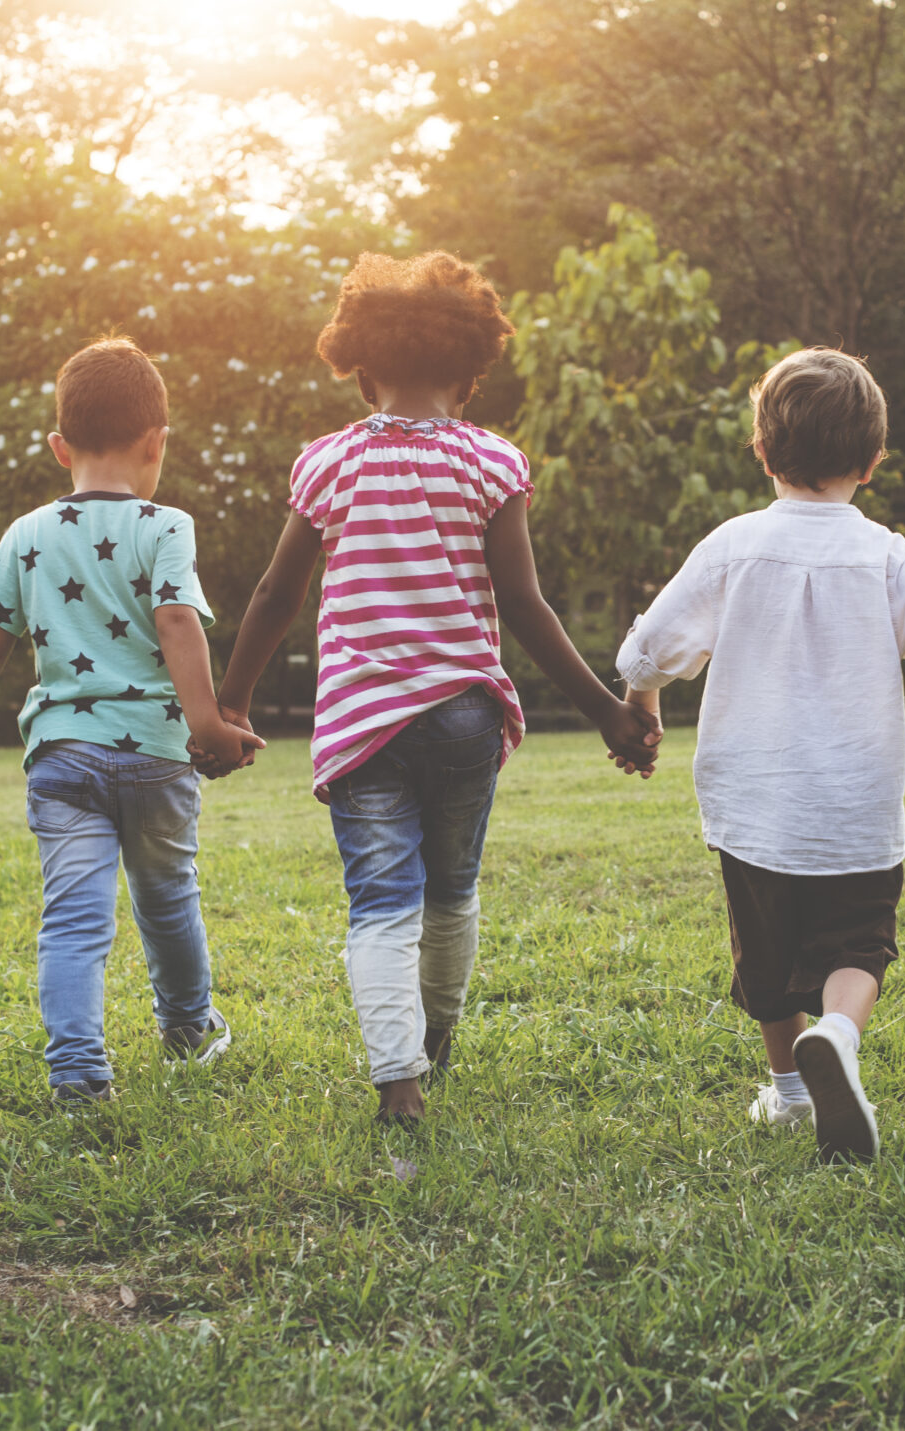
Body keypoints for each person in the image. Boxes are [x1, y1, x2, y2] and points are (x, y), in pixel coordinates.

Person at [196, 252, 660, 1126]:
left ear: (361, 368)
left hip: (363, 723)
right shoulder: (493, 461)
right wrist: (605, 708)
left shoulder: (327, 463)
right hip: (462, 717)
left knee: (380, 901)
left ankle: (397, 1083)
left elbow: (275, 594)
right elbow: (523, 603)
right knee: (452, 889)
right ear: (471, 371)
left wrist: (232, 703)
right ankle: (436, 1039)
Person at [616, 347, 905, 1165]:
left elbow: (648, 650)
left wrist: (644, 716)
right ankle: (841, 1035)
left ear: (762, 449)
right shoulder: (883, 551)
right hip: (854, 801)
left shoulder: (733, 545)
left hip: (754, 803)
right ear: (873, 458)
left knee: (766, 955)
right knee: (860, 943)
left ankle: (789, 1091)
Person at [0, 338, 263, 1103]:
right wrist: (209, 726)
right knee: (168, 900)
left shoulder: (28, 533)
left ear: (60, 446)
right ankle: (189, 1028)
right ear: (157, 442)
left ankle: (79, 1074)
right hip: (157, 756)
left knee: (74, 919)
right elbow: (177, 623)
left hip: (63, 761)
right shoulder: (166, 526)